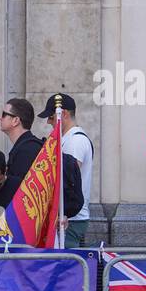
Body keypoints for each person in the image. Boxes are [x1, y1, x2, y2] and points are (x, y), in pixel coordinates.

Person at [40, 93, 95, 247]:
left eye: (51, 117)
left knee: (66, 265)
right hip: (68, 217)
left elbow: (67, 181)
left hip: (69, 218)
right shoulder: (69, 139)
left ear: (62, 113)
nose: (49, 121)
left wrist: (62, 213)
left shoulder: (75, 141)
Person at [1, 98, 46, 180]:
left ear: (16, 120)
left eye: (4, 114)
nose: (0, 118)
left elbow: (19, 189)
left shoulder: (26, 151)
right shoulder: (26, 146)